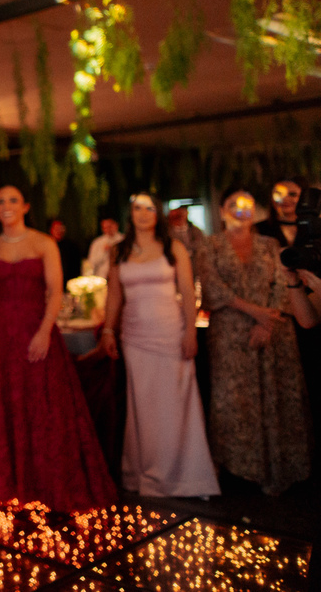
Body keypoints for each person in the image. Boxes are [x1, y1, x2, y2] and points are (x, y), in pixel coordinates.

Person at [0, 185, 115, 512]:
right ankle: (8, 483)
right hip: (0, 334)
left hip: (36, 331)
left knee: (42, 405)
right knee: (5, 403)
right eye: (0, 200)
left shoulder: (44, 242)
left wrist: (45, 331)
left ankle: (43, 483)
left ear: (25, 206)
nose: (6, 206)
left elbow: (55, 291)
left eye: (12, 200)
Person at [99, 194, 219, 499]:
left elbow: (188, 293)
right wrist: (109, 330)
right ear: (130, 213)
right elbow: (114, 294)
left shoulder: (173, 247)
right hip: (135, 336)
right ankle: (148, 474)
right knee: (143, 406)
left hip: (170, 333)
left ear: (158, 213)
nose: (143, 213)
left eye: (149, 207)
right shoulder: (119, 251)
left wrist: (190, 332)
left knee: (177, 403)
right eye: (137, 207)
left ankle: (187, 477)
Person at [197, 186, 314, 496]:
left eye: (247, 203)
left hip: (275, 332)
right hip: (231, 335)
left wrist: (268, 320)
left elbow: (283, 283)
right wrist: (255, 312)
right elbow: (212, 286)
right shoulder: (209, 246)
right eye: (234, 203)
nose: (241, 208)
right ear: (221, 211)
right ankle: (237, 469)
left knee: (277, 397)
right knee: (234, 401)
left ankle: (279, 472)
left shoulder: (270, 243)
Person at [255, 177, 321, 473]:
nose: (286, 200)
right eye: (278, 194)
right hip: (286, 321)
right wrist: (293, 282)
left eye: (292, 194)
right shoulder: (263, 233)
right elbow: (309, 319)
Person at [49, 219, 81, 288]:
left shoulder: (72, 246)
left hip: (69, 284)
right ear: (51, 230)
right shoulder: (47, 246)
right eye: (56, 228)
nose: (59, 231)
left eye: (61, 228)